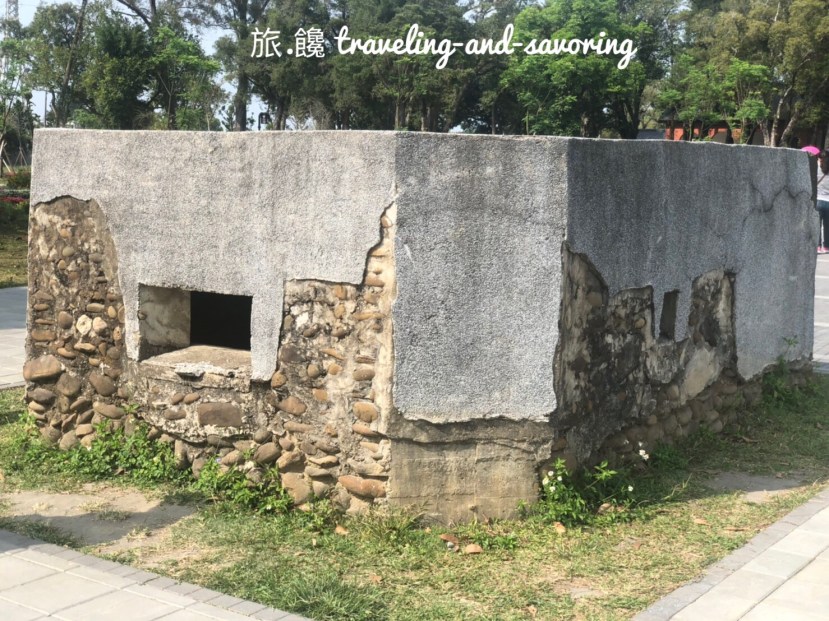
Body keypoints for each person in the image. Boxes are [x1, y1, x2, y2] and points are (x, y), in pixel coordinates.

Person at [819, 151, 829, 254]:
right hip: (828, 202)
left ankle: (817, 246)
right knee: (827, 226)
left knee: (817, 225)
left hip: (818, 200)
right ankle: (826, 246)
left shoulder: (817, 170)